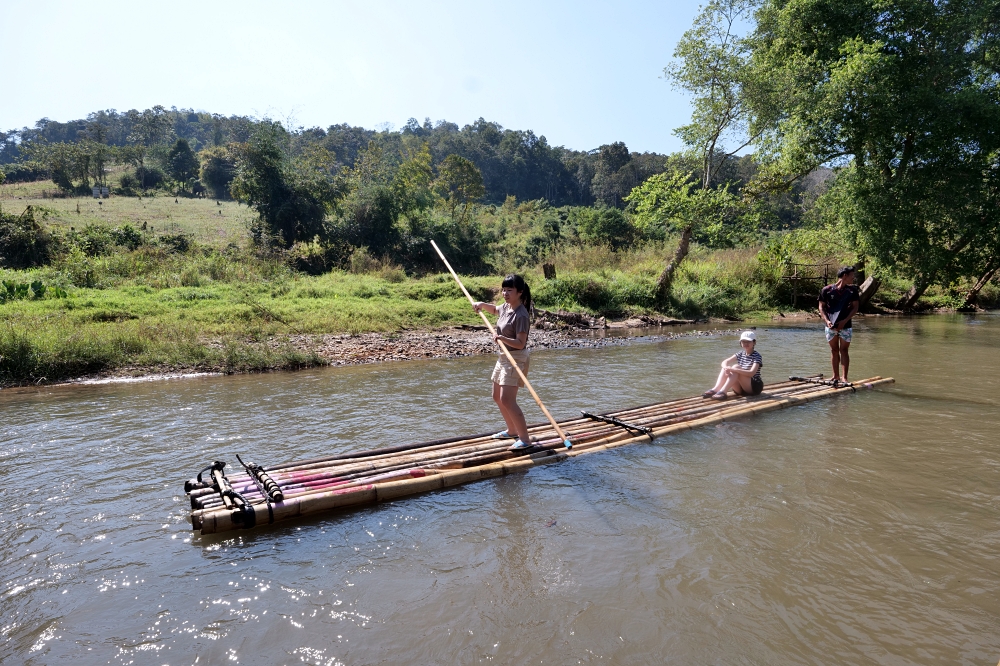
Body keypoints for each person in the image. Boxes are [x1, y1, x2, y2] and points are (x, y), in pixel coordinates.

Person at [473, 274, 534, 450]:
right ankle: (512, 430)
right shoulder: (507, 306)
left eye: (510, 290)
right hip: (503, 356)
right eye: (504, 289)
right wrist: (482, 305)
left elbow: (520, 343)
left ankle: (525, 439)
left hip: (516, 358)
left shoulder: (521, 315)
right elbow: (495, 310)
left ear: (520, 292)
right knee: (496, 397)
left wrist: (501, 338)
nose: (505, 293)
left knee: (507, 399)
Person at [819, 266, 860, 384]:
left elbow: (855, 307)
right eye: (852, 275)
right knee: (834, 350)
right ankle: (835, 376)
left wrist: (845, 320)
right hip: (830, 326)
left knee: (844, 350)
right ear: (845, 276)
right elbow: (821, 307)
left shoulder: (852, 291)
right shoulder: (826, 290)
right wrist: (827, 321)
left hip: (846, 325)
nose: (854, 278)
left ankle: (844, 377)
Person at [703, 331, 764, 399]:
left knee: (735, 367)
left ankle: (723, 392)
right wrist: (726, 368)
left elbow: (751, 373)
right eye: (743, 341)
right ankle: (716, 389)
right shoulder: (740, 353)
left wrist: (734, 369)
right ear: (740, 342)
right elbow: (725, 362)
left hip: (753, 388)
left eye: (748, 341)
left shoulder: (757, 356)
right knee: (726, 367)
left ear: (754, 342)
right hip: (740, 389)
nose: (746, 343)